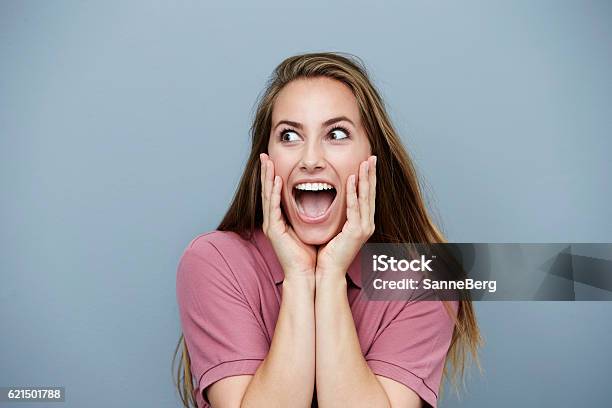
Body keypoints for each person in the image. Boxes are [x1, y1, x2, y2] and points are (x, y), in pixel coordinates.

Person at [173, 52, 482, 408]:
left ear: (373, 156)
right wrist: (300, 277)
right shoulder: (214, 262)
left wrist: (332, 275)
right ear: (266, 159)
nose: (310, 160)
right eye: (289, 136)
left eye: (336, 134)